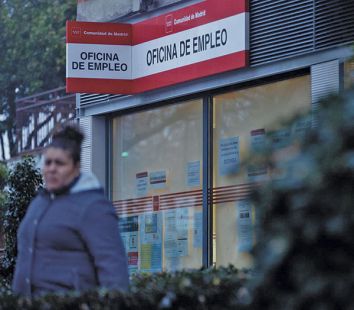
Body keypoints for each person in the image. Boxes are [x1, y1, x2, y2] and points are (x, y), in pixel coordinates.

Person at [12, 125, 129, 297]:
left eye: (59, 163)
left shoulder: (94, 206)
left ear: (76, 167)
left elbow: (113, 267)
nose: (51, 168)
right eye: (48, 162)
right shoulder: (38, 203)